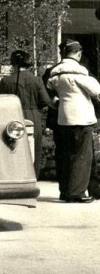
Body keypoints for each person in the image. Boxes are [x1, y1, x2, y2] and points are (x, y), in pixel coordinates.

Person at [46, 39, 100, 203]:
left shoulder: (55, 73)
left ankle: (65, 190)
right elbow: (96, 90)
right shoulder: (79, 72)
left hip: (63, 118)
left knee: (66, 155)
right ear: (78, 53)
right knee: (82, 156)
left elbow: (49, 92)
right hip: (81, 118)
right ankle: (76, 193)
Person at [0, 50, 54, 178]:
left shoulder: (6, 81)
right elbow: (45, 101)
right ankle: (33, 176)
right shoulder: (37, 80)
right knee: (35, 149)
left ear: (14, 64)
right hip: (33, 115)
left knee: (11, 147)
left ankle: (13, 176)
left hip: (12, 117)